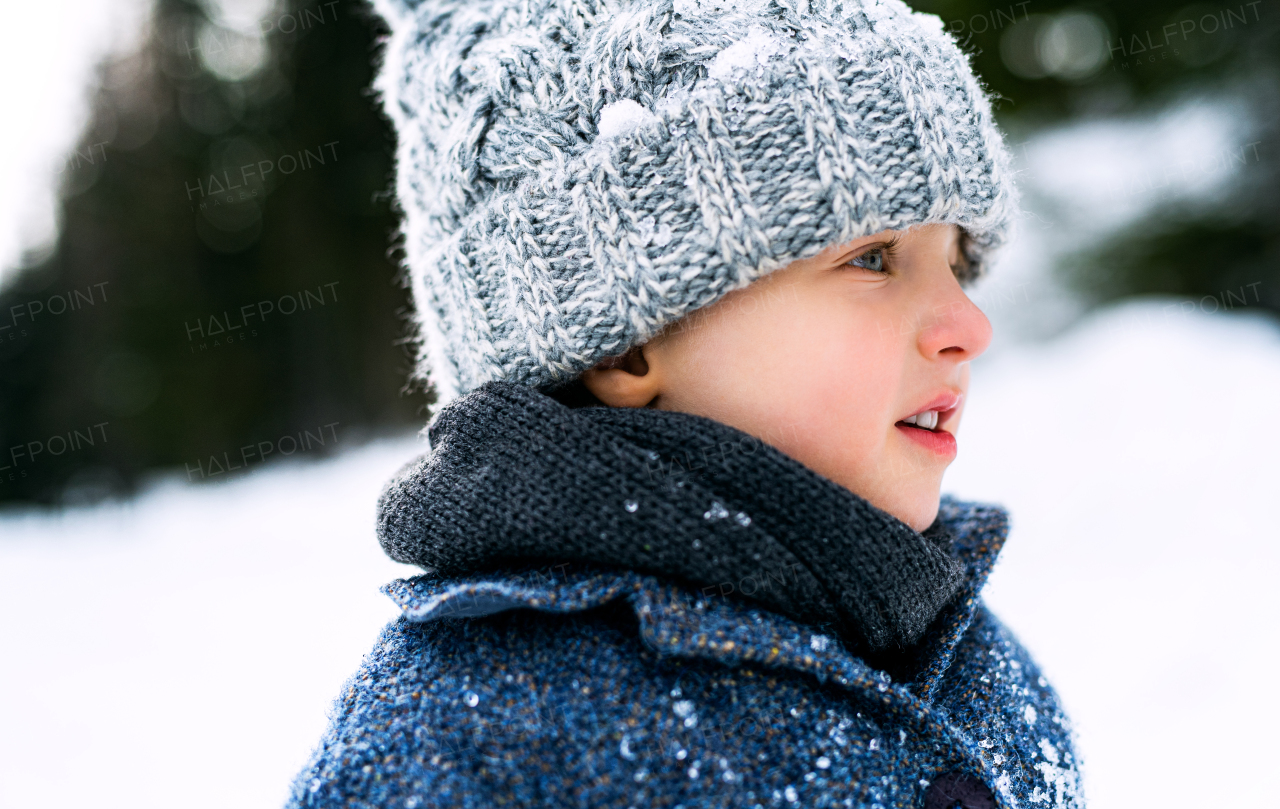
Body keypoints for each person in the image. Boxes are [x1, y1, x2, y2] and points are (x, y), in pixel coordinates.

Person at [286, 0, 1085, 806]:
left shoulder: (973, 664)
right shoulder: (473, 737)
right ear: (621, 343)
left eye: (958, 259)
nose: (969, 326)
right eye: (874, 258)